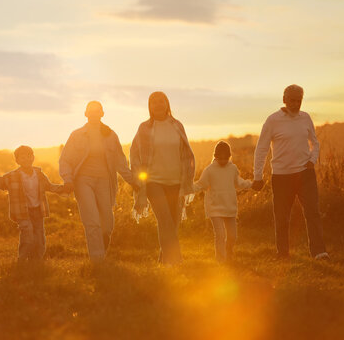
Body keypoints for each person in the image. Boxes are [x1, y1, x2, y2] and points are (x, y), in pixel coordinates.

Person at [252, 84, 329, 260]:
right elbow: (261, 148)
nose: (295, 104)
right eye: (292, 101)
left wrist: (312, 160)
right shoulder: (272, 120)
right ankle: (283, 254)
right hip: (281, 176)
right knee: (281, 217)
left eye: (299, 101)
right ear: (284, 100)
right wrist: (258, 175)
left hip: (305, 174)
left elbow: (315, 143)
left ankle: (319, 252)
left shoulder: (305, 118)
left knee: (313, 212)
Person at [59, 101, 138, 261]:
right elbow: (65, 160)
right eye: (90, 111)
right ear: (86, 114)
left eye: (97, 111)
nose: (94, 114)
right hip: (83, 181)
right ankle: (98, 262)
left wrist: (132, 181)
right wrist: (68, 179)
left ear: (102, 113)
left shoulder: (110, 135)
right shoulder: (77, 135)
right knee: (92, 221)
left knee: (107, 224)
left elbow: (120, 162)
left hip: (105, 181)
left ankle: (100, 251)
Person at [130, 91, 195, 265]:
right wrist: (137, 177)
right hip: (153, 182)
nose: (158, 105)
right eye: (154, 102)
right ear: (149, 107)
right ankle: (176, 260)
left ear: (167, 104)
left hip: (176, 182)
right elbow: (134, 152)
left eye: (161, 101)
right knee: (165, 220)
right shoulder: (144, 128)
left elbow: (186, 152)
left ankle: (164, 260)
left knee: (172, 224)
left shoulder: (177, 125)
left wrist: (187, 178)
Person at [0, 145, 64, 263]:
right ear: (17, 160)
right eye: (22, 158)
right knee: (28, 236)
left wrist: (65, 188)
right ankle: (21, 260)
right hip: (22, 212)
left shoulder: (39, 174)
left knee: (39, 238)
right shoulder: (13, 176)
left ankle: (36, 262)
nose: (26, 160)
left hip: (38, 210)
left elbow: (50, 186)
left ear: (33, 157)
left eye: (28, 156)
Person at [193, 141, 252, 263]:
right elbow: (200, 185)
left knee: (232, 236)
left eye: (226, 158)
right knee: (220, 235)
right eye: (220, 158)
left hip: (229, 207)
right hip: (214, 208)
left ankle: (228, 252)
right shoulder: (209, 170)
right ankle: (221, 261)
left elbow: (239, 183)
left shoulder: (232, 169)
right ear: (215, 157)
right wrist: (187, 188)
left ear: (229, 157)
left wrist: (251, 184)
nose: (223, 161)